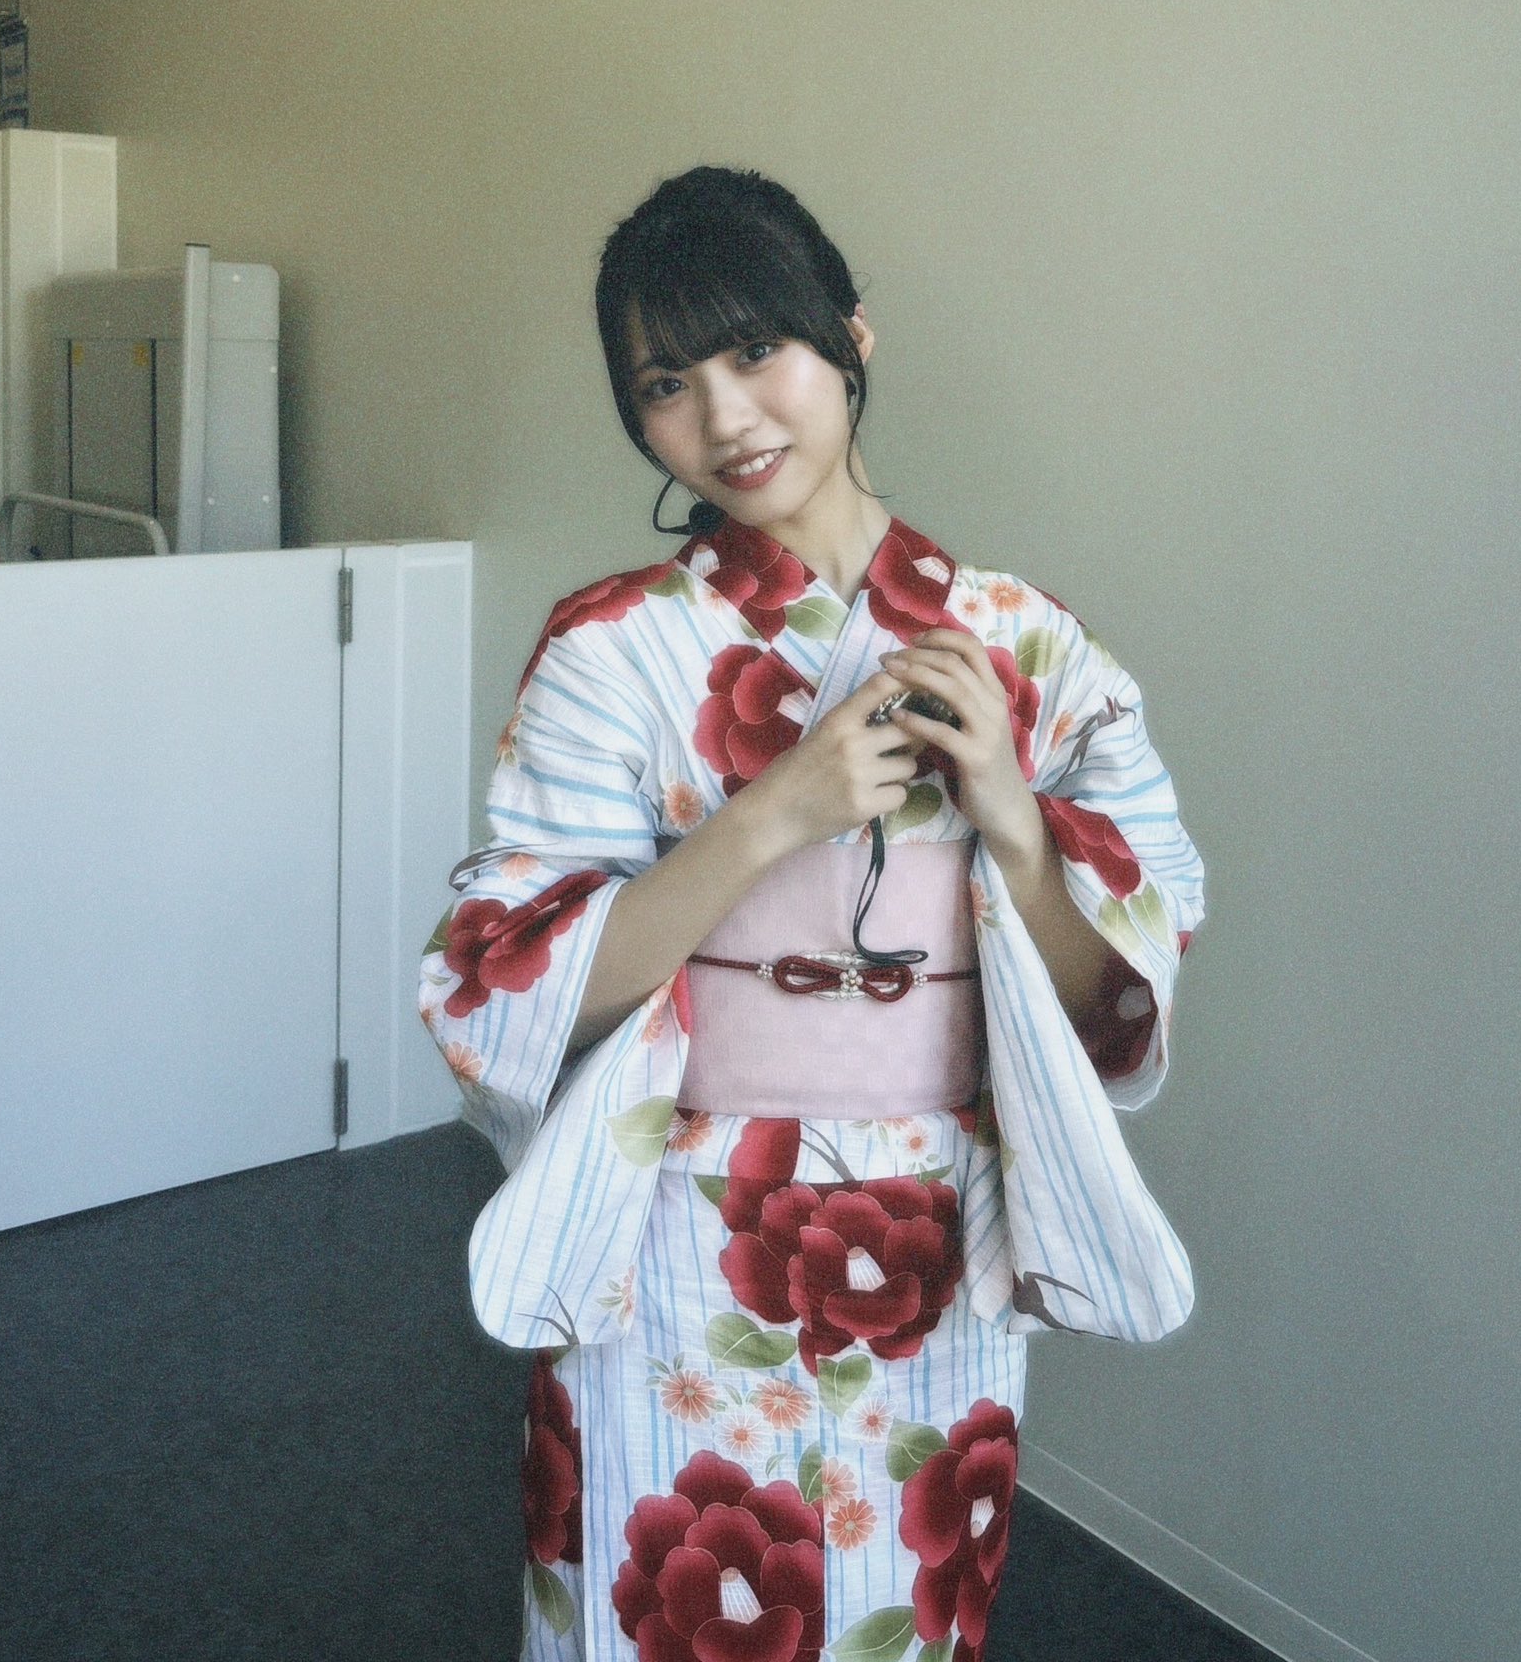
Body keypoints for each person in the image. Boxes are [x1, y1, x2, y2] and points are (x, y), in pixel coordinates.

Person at [418, 166, 1206, 1662]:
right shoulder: (610, 649)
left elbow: (1128, 972)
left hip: (933, 1226)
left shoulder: (1027, 642)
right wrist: (775, 813)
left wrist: (1014, 823)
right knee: (657, 1601)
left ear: (851, 336)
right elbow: (505, 976)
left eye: (756, 348)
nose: (724, 417)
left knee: (901, 1612)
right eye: (666, 384)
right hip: (676, 1220)